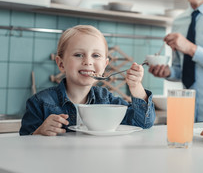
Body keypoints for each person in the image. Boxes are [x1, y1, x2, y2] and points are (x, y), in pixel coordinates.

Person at [20, 25, 155, 136]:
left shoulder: (106, 100)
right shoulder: (39, 103)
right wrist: (39, 133)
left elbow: (143, 123)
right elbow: (23, 144)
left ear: (105, 64)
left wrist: (136, 87)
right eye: (78, 55)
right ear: (61, 64)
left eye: (96, 55)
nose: (88, 62)